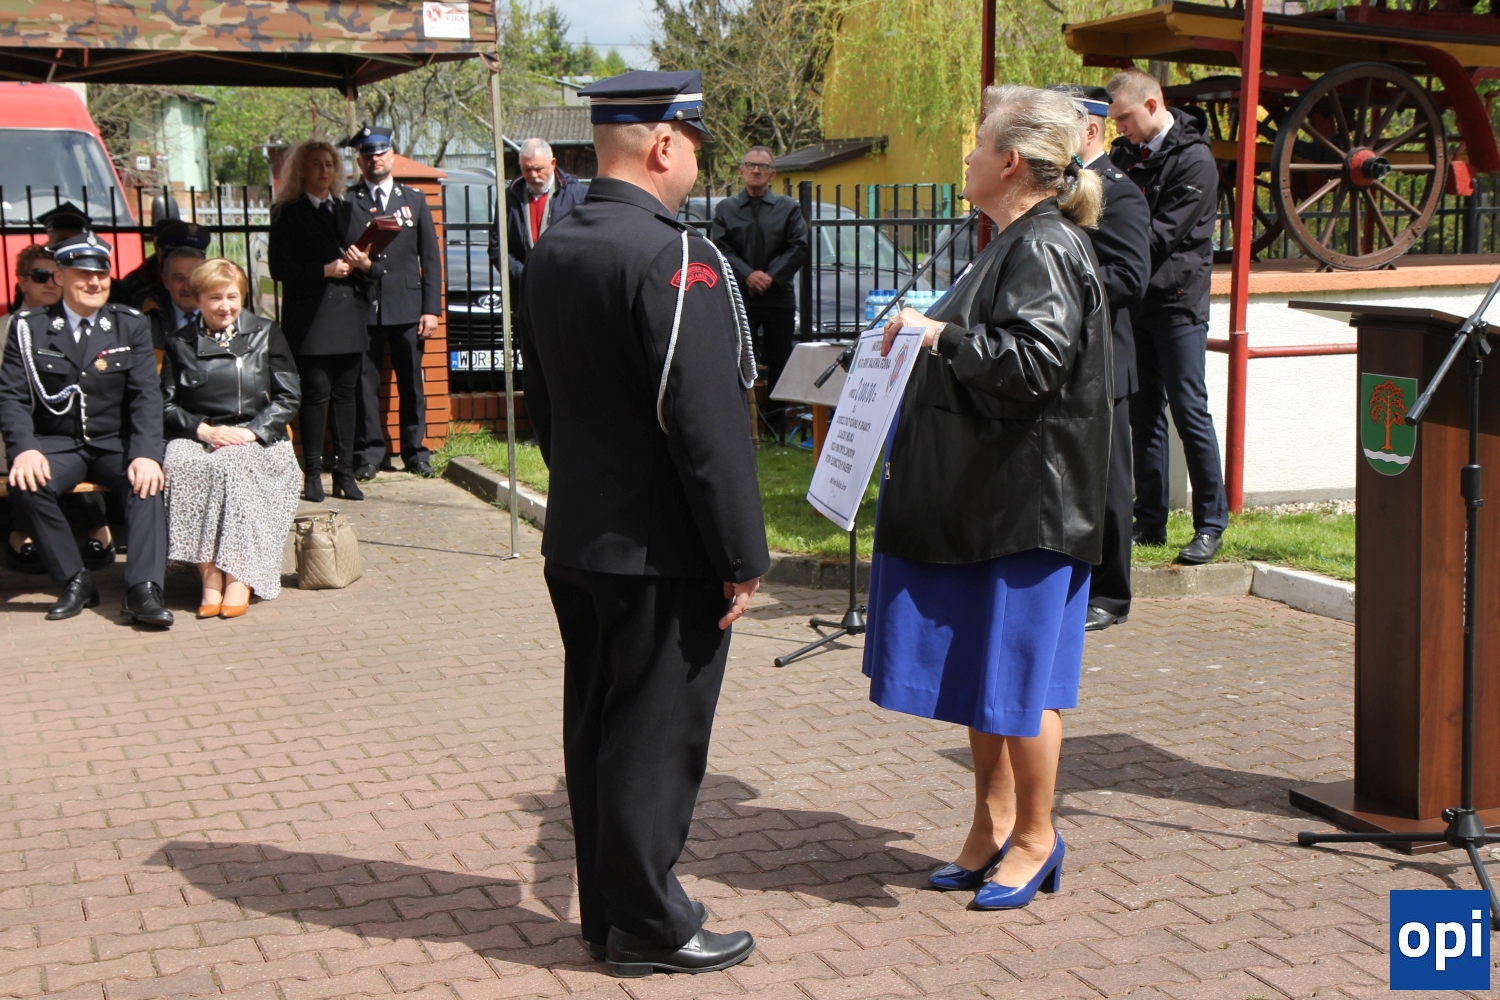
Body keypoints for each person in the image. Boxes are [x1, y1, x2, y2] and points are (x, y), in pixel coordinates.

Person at [520, 70, 766, 978]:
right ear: (664, 145)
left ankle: (611, 913)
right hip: (662, 546)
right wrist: (739, 551)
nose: (698, 160)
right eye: (695, 143)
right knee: (654, 740)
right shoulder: (673, 255)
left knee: (598, 727)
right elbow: (705, 421)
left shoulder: (556, 242)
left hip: (583, 532)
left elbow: (544, 399)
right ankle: (652, 926)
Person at [863, 84, 1110, 911]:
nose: (965, 157)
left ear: (1009, 162)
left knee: (1022, 685)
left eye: (976, 145)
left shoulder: (1045, 245)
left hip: (1028, 511)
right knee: (985, 679)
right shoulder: (1014, 240)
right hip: (991, 502)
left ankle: (1037, 836)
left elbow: (1032, 363)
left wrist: (938, 335)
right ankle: (992, 822)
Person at [0, 234, 173, 627]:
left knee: (147, 482)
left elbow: (147, 396)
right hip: (57, 442)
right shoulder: (29, 327)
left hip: (114, 440)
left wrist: (146, 453)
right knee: (26, 483)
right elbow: (11, 396)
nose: (94, 282)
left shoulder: (129, 324)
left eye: (101, 274)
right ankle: (75, 581)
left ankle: (144, 590)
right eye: (82, 274)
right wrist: (24, 448)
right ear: (60, 276)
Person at [1108, 68, 1227, 565]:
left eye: (1125, 117)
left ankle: (1210, 524)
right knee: (1144, 415)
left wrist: (1109, 245)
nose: (1119, 128)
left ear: (1153, 106)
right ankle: (1149, 521)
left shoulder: (1195, 160)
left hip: (1178, 304)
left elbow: (1158, 237)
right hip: (1137, 303)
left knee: (1188, 411)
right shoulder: (1123, 155)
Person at [1048, 84, 1150, 631]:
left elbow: (1131, 277)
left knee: (1108, 483)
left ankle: (1111, 594)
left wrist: (1060, 282)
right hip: (1058, 353)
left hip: (1104, 357)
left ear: (1090, 129)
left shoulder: (1120, 193)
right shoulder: (1053, 186)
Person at [161, 258, 302, 619]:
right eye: (214, 298)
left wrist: (252, 431)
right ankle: (209, 577)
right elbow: (165, 404)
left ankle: (239, 575)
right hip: (201, 433)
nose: (225, 306)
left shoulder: (266, 332)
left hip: (255, 436)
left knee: (233, 463)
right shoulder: (179, 342)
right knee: (179, 461)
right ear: (197, 300)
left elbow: (288, 396)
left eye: (232, 297)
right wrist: (203, 429)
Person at [267, 139, 381, 504]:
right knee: (316, 394)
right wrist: (325, 270)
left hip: (349, 317)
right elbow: (279, 268)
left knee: (347, 395)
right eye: (316, 164)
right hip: (311, 320)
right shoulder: (288, 212)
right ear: (302, 169)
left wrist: (365, 265)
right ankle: (313, 473)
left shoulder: (349, 210)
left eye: (330, 164)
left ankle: (345, 474)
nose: (324, 171)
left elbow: (374, 266)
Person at [4, 245, 115, 575]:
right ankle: (22, 532)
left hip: (71, 426)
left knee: (87, 438)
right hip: (22, 424)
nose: (51, 282)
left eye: (55, 275)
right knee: (24, 454)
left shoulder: (81, 324)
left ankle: (98, 527)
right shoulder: (9, 327)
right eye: (40, 276)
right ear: (22, 281)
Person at [346, 125, 442, 480]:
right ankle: (369, 455)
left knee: (412, 385)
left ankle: (416, 453)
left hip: (407, 306)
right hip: (364, 306)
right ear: (360, 161)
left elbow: (430, 258)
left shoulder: (413, 199)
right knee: (364, 385)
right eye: (369, 155)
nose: (376, 160)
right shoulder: (348, 201)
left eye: (381, 153)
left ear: (392, 156)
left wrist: (431, 309)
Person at [709, 145, 809, 396]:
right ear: (741, 171)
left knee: (780, 360)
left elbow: (799, 246)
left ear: (772, 174)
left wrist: (771, 276)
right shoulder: (726, 209)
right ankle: (742, 415)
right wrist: (747, 274)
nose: (756, 170)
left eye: (763, 166)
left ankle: (778, 418)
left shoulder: (789, 208)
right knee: (738, 360)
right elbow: (720, 248)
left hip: (779, 297)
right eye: (751, 165)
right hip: (740, 297)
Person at [487, 137, 587, 285]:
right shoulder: (508, 198)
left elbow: (588, 244)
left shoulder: (578, 195)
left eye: (538, 169)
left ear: (552, 164)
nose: (533, 175)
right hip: (523, 288)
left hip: (565, 286)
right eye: (527, 169)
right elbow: (497, 247)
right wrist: (523, 274)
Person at [115, 216, 213, 309]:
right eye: (178, 255)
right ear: (159, 253)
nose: (187, 287)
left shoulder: (217, 295)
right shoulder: (138, 285)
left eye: (192, 254)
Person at [139, 244, 208, 349]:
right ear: (166, 281)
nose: (187, 287)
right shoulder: (147, 319)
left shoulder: (224, 315)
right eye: (179, 279)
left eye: (194, 278)